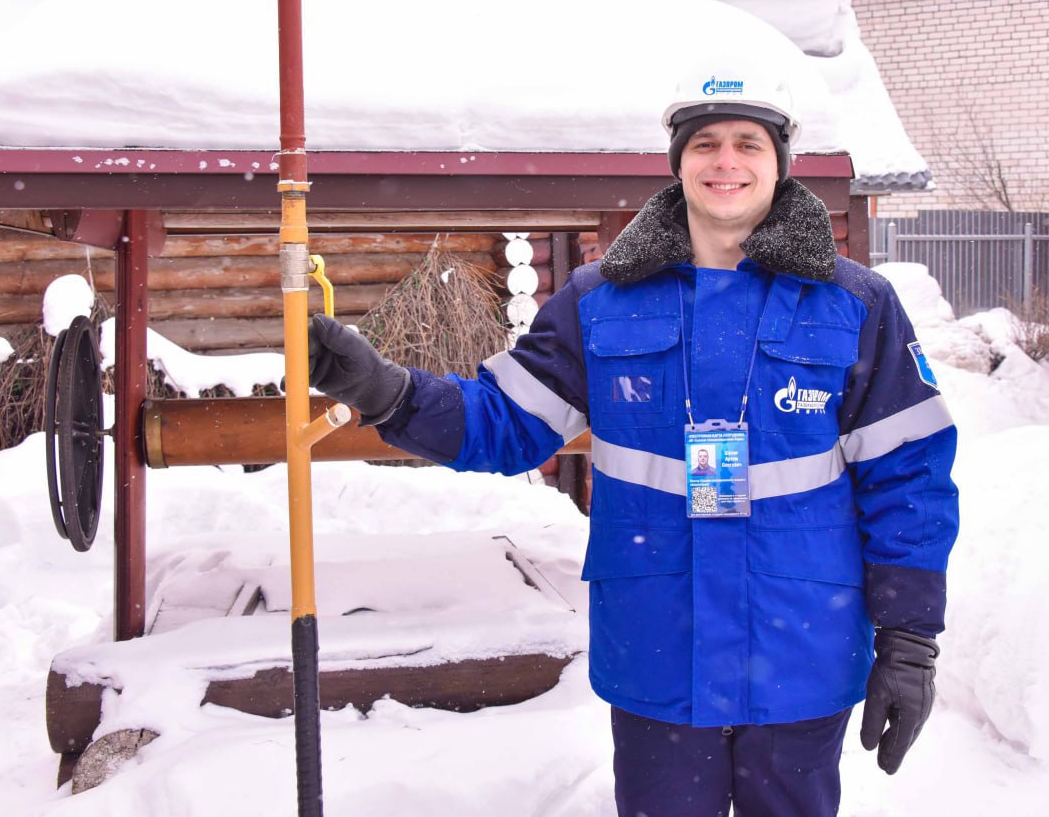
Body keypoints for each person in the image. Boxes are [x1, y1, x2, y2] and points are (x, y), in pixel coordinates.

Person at [305, 68, 959, 817]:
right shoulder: (597, 301)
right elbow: (507, 422)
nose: (726, 162)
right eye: (705, 143)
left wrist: (911, 640)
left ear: (781, 163)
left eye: (749, 143)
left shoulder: (855, 304)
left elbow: (909, 479)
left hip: (800, 650)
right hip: (660, 649)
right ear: (677, 162)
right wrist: (388, 392)